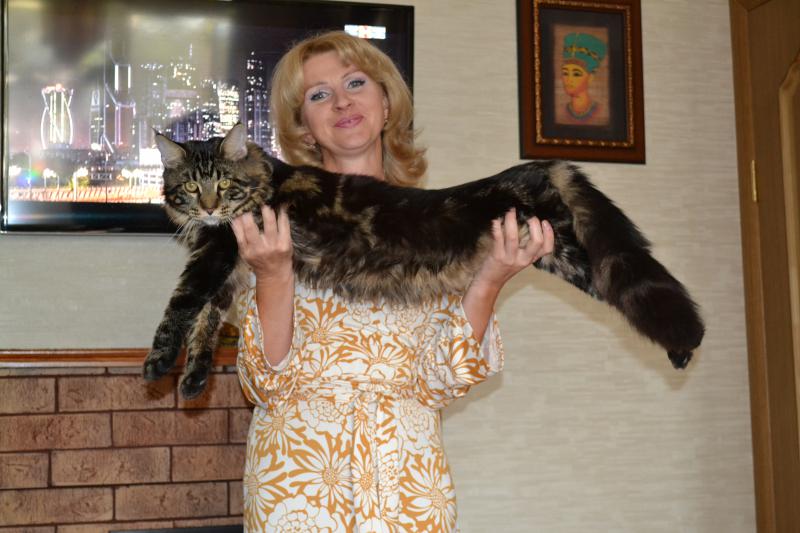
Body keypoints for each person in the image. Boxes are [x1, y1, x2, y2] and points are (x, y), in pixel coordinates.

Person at [231, 31, 554, 532]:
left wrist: (491, 278)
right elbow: (263, 383)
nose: (342, 102)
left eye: (356, 83)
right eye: (319, 94)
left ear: (386, 104)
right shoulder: (275, 222)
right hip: (298, 485)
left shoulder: (435, 224)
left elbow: (442, 380)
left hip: (409, 479)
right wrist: (273, 273)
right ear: (304, 129)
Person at [557, 32, 609, 126]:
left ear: (590, 78)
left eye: (576, 74)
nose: (569, 79)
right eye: (565, 73)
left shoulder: (602, 112)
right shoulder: (559, 112)